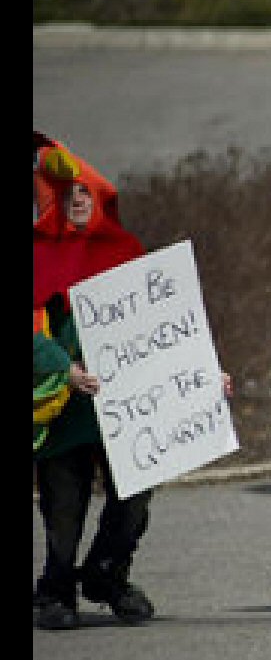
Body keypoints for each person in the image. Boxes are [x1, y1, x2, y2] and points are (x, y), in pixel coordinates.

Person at [32, 137, 233, 630]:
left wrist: (208, 374)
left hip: (127, 407)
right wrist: (62, 367)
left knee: (134, 500)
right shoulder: (37, 256)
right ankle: (55, 592)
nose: (79, 200)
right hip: (63, 407)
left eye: (87, 192)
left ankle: (107, 575)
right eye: (69, 192)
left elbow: (169, 327)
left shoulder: (127, 253)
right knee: (64, 511)